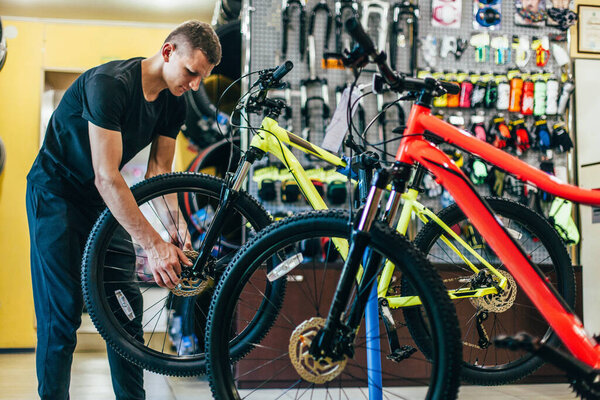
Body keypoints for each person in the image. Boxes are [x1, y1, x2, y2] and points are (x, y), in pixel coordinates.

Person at [25, 20, 221, 399]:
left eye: (203, 77)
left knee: (126, 313)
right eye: (192, 73)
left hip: (104, 203)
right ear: (168, 52)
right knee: (62, 314)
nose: (195, 85)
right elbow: (106, 176)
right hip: (56, 195)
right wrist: (152, 245)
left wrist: (176, 233)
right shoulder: (110, 85)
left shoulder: (173, 102)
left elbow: (160, 172)